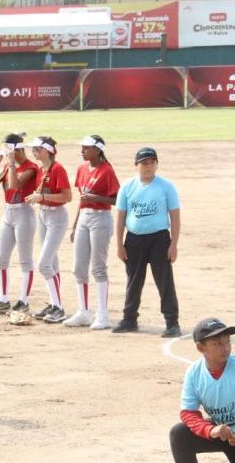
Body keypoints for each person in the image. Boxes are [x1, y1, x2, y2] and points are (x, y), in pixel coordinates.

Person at [167, 317, 235, 463]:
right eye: (217, 344)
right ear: (201, 348)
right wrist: (211, 430)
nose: (225, 348)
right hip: (221, 432)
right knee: (179, 434)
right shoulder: (194, 373)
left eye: (227, 342)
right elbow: (188, 412)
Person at [113, 147, 181, 337]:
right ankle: (129, 319)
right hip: (134, 239)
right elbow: (120, 217)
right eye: (144, 163)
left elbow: (174, 217)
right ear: (136, 165)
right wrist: (119, 244)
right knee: (134, 281)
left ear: (157, 164)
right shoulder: (127, 187)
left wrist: (173, 244)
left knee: (164, 281)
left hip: (159, 239)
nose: (148, 166)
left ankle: (172, 322)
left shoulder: (166, 186)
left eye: (151, 162)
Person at [64, 135, 120, 329]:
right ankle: (84, 311)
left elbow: (117, 200)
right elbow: (82, 199)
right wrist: (75, 223)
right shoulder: (81, 169)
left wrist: (97, 197)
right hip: (85, 218)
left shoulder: (107, 171)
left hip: (101, 218)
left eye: (86, 148)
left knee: (98, 267)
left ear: (97, 150)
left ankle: (102, 315)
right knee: (79, 267)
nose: (82, 151)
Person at [0, 133, 39, 315]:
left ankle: (23, 301)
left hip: (23, 212)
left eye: (9, 150)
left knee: (25, 259)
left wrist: (12, 162)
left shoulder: (31, 167)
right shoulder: (7, 165)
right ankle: (3, 299)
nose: (7, 153)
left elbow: (14, 186)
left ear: (17, 149)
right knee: (1, 258)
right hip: (8, 213)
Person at [25, 136, 72, 324]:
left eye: (37, 149)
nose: (34, 152)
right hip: (43, 215)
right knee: (52, 263)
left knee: (44, 264)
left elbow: (67, 196)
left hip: (57, 217)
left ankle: (58, 308)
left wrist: (42, 196)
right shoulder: (41, 169)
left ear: (47, 150)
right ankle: (54, 303)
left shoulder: (57, 168)